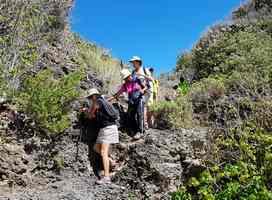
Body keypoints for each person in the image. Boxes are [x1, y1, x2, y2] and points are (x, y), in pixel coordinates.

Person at [83, 88, 119, 184]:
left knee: (103, 152)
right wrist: (87, 111)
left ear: (94, 96)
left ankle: (106, 177)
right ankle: (111, 161)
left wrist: (86, 110)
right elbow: (93, 116)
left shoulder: (97, 101)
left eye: (91, 97)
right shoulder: (101, 102)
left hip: (108, 128)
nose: (90, 99)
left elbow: (91, 114)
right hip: (105, 129)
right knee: (96, 148)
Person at [109, 68, 147, 140]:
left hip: (140, 99)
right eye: (125, 78)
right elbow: (117, 94)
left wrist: (142, 90)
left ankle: (140, 132)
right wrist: (108, 100)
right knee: (130, 115)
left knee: (139, 114)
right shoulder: (125, 85)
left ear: (130, 75)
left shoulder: (137, 80)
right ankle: (134, 130)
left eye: (127, 77)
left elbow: (146, 87)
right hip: (132, 101)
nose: (126, 79)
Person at [129, 56, 153, 130]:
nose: (133, 64)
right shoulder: (133, 72)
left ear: (138, 62)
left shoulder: (144, 69)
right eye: (132, 62)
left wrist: (142, 75)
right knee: (138, 110)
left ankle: (143, 128)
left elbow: (151, 79)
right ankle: (141, 126)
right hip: (136, 93)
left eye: (134, 62)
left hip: (145, 91)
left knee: (142, 109)